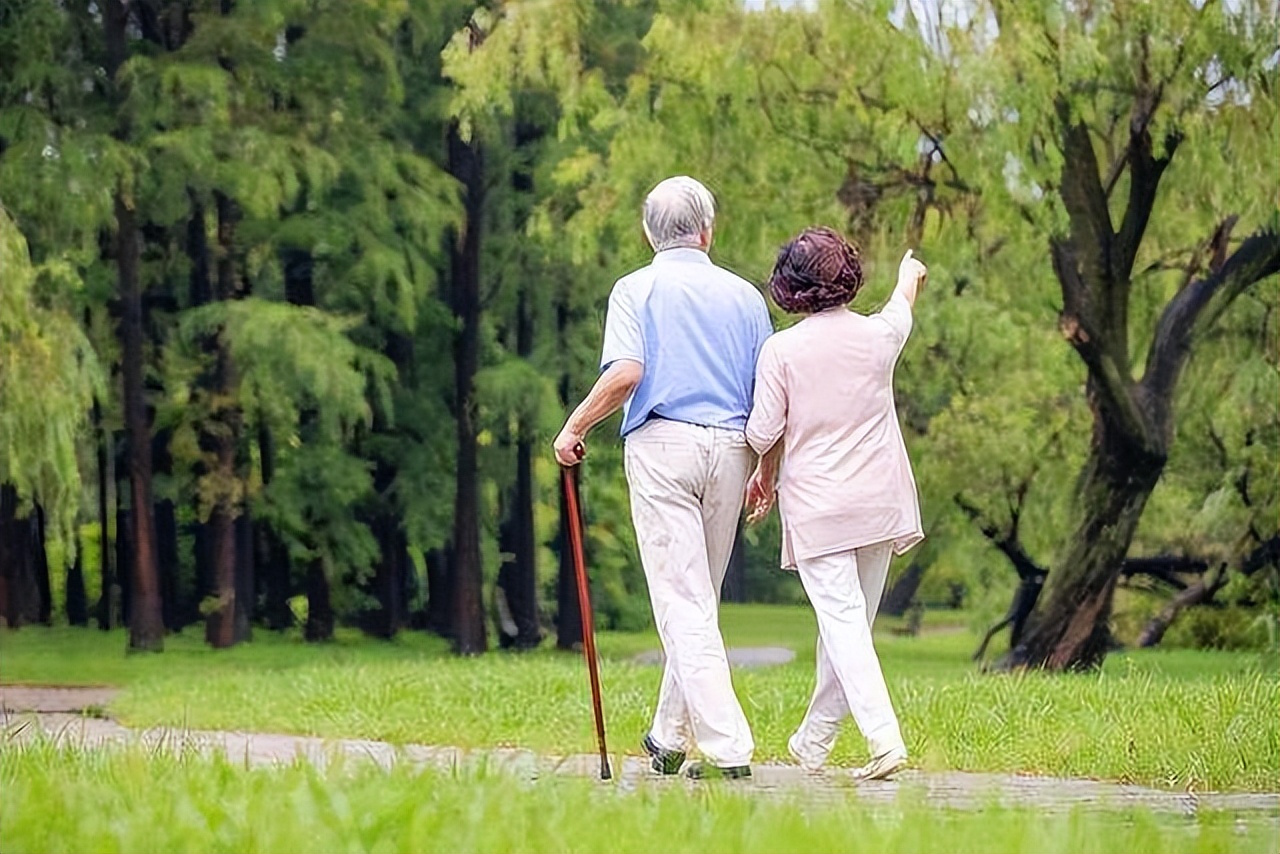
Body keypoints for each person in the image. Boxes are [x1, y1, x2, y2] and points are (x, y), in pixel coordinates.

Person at [553, 176, 772, 780]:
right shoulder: (747, 297)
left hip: (663, 443)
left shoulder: (635, 289)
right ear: (708, 230)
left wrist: (574, 427)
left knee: (682, 601)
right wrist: (766, 470)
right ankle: (669, 738)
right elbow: (768, 393)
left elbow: (626, 373)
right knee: (698, 599)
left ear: (650, 233)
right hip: (733, 450)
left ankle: (728, 748)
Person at [744, 227, 927, 781]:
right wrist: (908, 275)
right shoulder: (877, 338)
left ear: (791, 285)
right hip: (880, 501)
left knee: (844, 627)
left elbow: (760, 431)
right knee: (849, 629)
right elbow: (901, 307)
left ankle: (884, 740)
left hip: (821, 506)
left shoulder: (782, 351)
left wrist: (763, 465)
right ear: (846, 276)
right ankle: (814, 741)